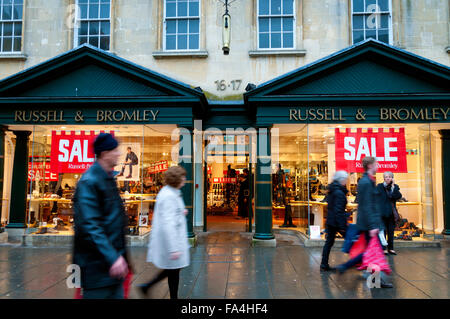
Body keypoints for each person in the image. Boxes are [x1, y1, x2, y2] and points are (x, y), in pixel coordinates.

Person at [73, 133, 130, 299]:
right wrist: (113, 258)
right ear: (105, 153)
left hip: (113, 266)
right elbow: (91, 226)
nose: (119, 153)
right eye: (115, 150)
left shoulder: (107, 178)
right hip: (96, 267)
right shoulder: (89, 181)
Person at [337, 156, 393, 288]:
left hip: (368, 223)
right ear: (370, 166)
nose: (377, 166)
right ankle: (372, 279)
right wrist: (373, 226)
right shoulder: (366, 182)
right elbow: (367, 205)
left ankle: (347, 267)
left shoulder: (367, 181)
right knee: (374, 251)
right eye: (376, 164)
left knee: (372, 251)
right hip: (369, 225)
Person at [138, 166, 190, 299]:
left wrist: (181, 212)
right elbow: (168, 223)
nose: (185, 180)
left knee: (173, 270)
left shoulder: (171, 192)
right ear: (176, 179)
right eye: (182, 177)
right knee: (173, 270)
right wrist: (173, 248)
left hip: (171, 240)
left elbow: (171, 214)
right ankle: (150, 287)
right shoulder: (169, 196)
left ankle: (149, 287)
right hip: (170, 241)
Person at [320, 171, 349, 271]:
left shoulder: (333, 190)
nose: (346, 181)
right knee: (350, 240)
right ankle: (358, 261)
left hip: (331, 221)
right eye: (345, 179)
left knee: (329, 243)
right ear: (342, 180)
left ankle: (324, 264)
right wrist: (343, 226)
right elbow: (338, 211)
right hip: (337, 222)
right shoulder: (339, 193)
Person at [376, 171, 402, 255]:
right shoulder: (379, 186)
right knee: (382, 232)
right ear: (384, 178)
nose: (388, 178)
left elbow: (398, 196)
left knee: (391, 232)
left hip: (391, 213)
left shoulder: (395, 187)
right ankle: (383, 248)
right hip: (382, 212)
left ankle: (391, 248)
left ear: (392, 178)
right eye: (386, 177)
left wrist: (393, 187)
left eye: (389, 177)